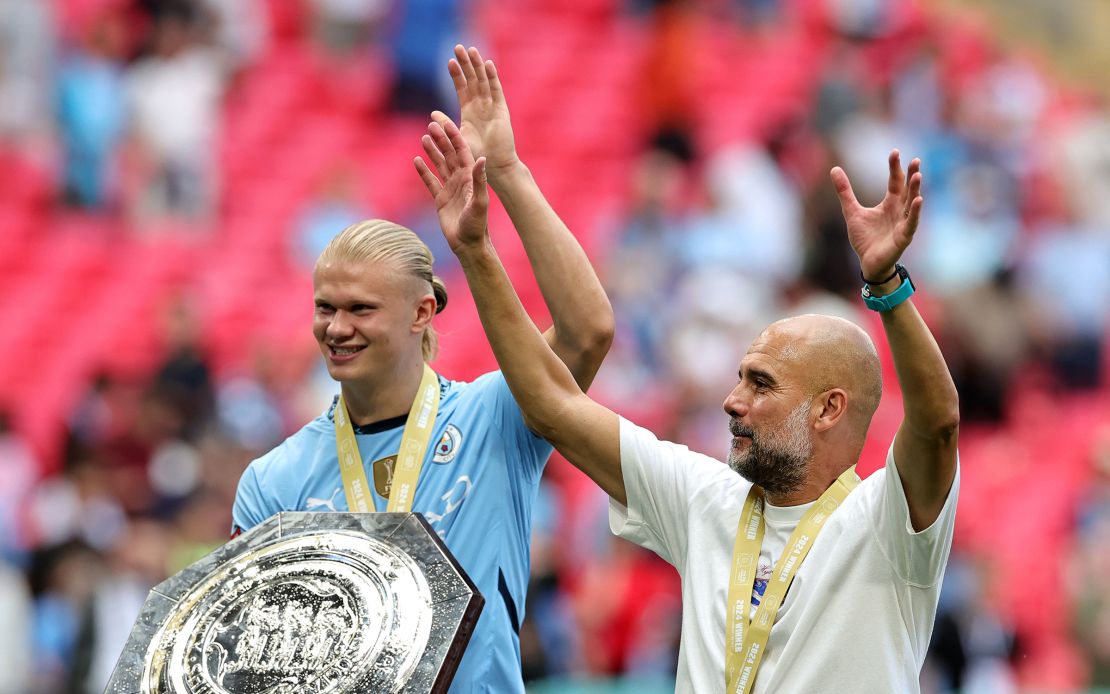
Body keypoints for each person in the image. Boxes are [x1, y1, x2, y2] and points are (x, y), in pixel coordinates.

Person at [418, 120, 960, 692]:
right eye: (739, 378)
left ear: (828, 410)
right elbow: (553, 403)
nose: (733, 401)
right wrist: (483, 231)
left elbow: (939, 422)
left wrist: (886, 286)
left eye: (761, 384)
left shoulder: (887, 524)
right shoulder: (705, 498)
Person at [232, 45, 614, 693]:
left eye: (360, 308)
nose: (336, 327)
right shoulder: (272, 482)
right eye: (325, 307)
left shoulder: (496, 418)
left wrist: (507, 181)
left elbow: (588, 331)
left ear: (423, 312)